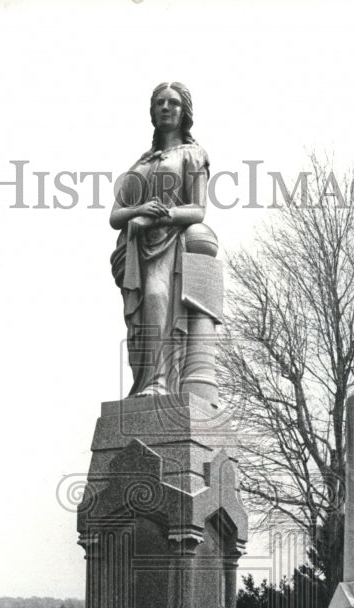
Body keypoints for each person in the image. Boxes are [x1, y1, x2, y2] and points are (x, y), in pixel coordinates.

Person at [110, 82, 210, 397]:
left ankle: (161, 380)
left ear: (185, 112)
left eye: (173, 103)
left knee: (157, 298)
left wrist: (159, 216)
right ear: (152, 112)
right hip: (135, 249)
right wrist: (139, 210)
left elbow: (197, 210)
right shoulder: (140, 163)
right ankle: (144, 382)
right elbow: (115, 216)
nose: (165, 108)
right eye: (160, 103)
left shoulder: (193, 155)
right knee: (139, 319)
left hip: (170, 243)